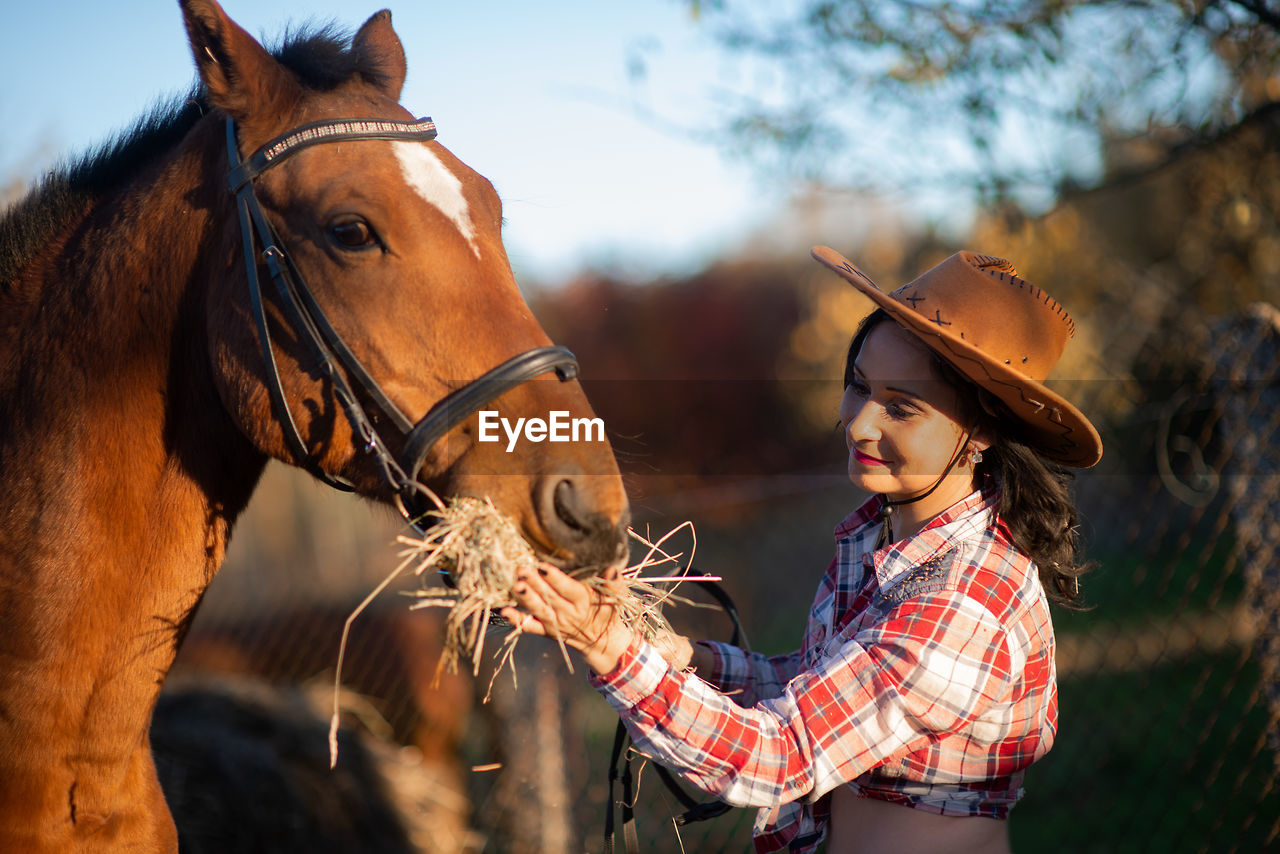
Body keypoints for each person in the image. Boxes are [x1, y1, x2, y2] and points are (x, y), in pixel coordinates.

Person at [501, 246, 1103, 854]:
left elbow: (780, 754)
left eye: (901, 406)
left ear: (981, 432)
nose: (859, 423)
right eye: (859, 385)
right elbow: (824, 691)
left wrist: (610, 647)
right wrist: (684, 656)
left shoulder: (963, 602)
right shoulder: (894, 541)